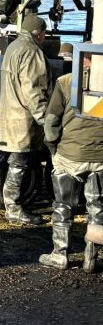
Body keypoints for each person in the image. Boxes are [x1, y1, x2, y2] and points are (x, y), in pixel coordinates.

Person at [40, 46, 103, 272]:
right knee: (97, 207)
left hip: (69, 155)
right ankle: (91, 258)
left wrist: (52, 147)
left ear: (83, 59)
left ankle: (60, 254)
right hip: (100, 158)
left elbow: (51, 121)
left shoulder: (67, 81)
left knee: (63, 205)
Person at [0, 14, 50, 225]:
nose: (45, 37)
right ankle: (14, 208)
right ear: (38, 33)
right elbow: (34, 89)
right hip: (24, 118)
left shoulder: (14, 46)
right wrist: (45, 120)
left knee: (17, 161)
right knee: (19, 163)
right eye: (44, 33)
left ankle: (13, 205)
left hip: (10, 112)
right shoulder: (32, 51)